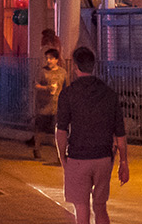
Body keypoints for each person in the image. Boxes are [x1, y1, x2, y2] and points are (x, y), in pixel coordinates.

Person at [54, 45, 127, 224]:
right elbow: (120, 133)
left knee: (81, 206)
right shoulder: (109, 94)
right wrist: (124, 162)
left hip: (78, 158)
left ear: (75, 67)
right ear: (93, 66)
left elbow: (61, 130)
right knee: (100, 207)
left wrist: (62, 157)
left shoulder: (68, 94)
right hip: (104, 158)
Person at [31, 47, 66, 161]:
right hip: (43, 106)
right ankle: (37, 148)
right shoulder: (42, 71)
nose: (49, 61)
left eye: (51, 58)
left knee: (59, 131)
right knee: (41, 129)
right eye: (47, 58)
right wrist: (46, 88)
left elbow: (66, 87)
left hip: (57, 106)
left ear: (57, 59)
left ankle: (59, 154)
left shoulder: (62, 72)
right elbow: (35, 85)